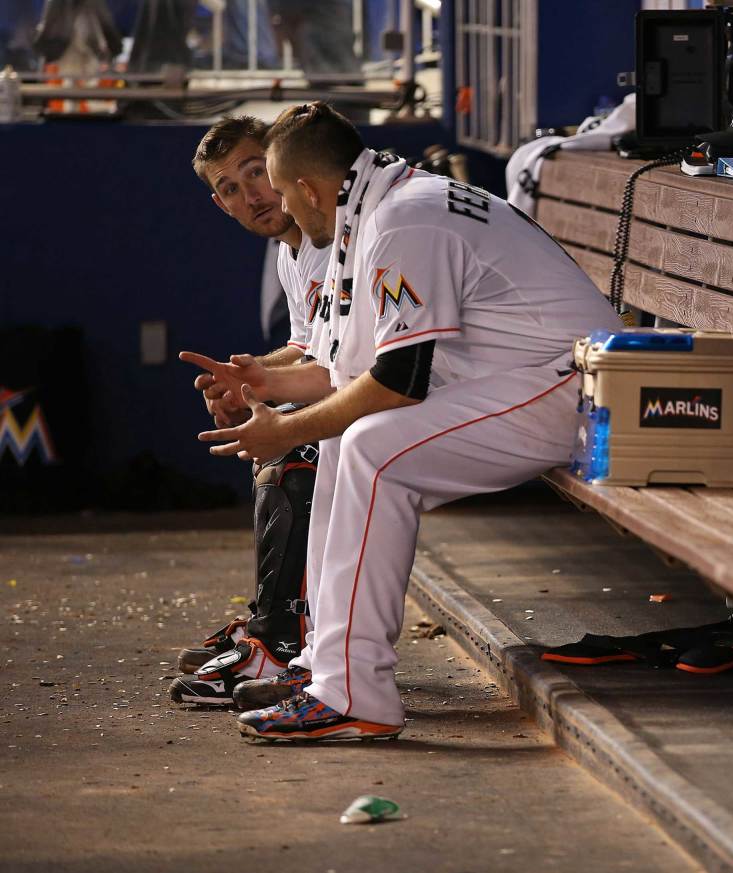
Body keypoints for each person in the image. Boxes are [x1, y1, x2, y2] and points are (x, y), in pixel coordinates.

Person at [183, 102, 622, 741]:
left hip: (580, 393)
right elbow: (348, 369)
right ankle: (325, 669)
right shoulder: (369, 209)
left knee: (369, 447)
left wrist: (285, 430)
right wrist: (263, 385)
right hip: (526, 382)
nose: (274, 202)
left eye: (276, 187)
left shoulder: (403, 219)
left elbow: (396, 384)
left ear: (307, 187)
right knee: (344, 442)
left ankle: (356, 695)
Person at [167, 115, 329, 707]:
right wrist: (251, 380)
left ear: (284, 165)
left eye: (256, 172)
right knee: (275, 440)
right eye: (231, 188)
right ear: (220, 205)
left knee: (295, 453)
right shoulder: (293, 252)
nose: (252, 195)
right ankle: (280, 627)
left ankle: (279, 641)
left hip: (437, 392)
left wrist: (273, 394)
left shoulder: (332, 234)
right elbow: (313, 345)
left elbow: (356, 362)